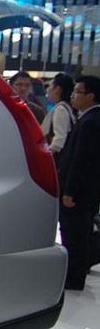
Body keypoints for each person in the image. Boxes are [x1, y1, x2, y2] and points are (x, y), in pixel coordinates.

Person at [58, 75, 100, 291]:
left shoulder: (90, 122)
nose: (73, 96)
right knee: (78, 232)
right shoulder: (89, 118)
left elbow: (81, 159)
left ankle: (74, 276)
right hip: (88, 190)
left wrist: (70, 191)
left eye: (77, 92)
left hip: (79, 192)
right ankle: (75, 272)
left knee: (75, 233)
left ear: (90, 96)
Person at [42, 73, 76, 158]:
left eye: (50, 86)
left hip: (58, 158)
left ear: (57, 89)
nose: (47, 90)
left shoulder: (60, 109)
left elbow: (59, 137)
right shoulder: (68, 107)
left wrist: (48, 154)